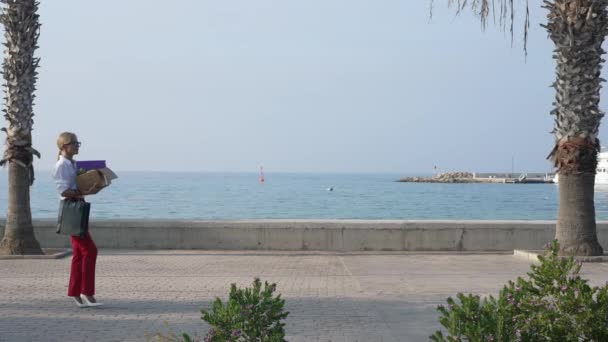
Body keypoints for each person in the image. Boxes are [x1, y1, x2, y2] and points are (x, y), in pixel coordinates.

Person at [52, 132, 103, 308]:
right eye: (74, 143)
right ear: (64, 146)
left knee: (80, 254)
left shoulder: (72, 164)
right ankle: (86, 291)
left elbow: (75, 186)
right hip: (71, 209)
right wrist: (85, 192)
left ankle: (76, 293)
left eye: (77, 143)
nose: (77, 146)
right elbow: (63, 190)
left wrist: (91, 187)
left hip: (78, 207)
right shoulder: (62, 165)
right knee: (90, 250)